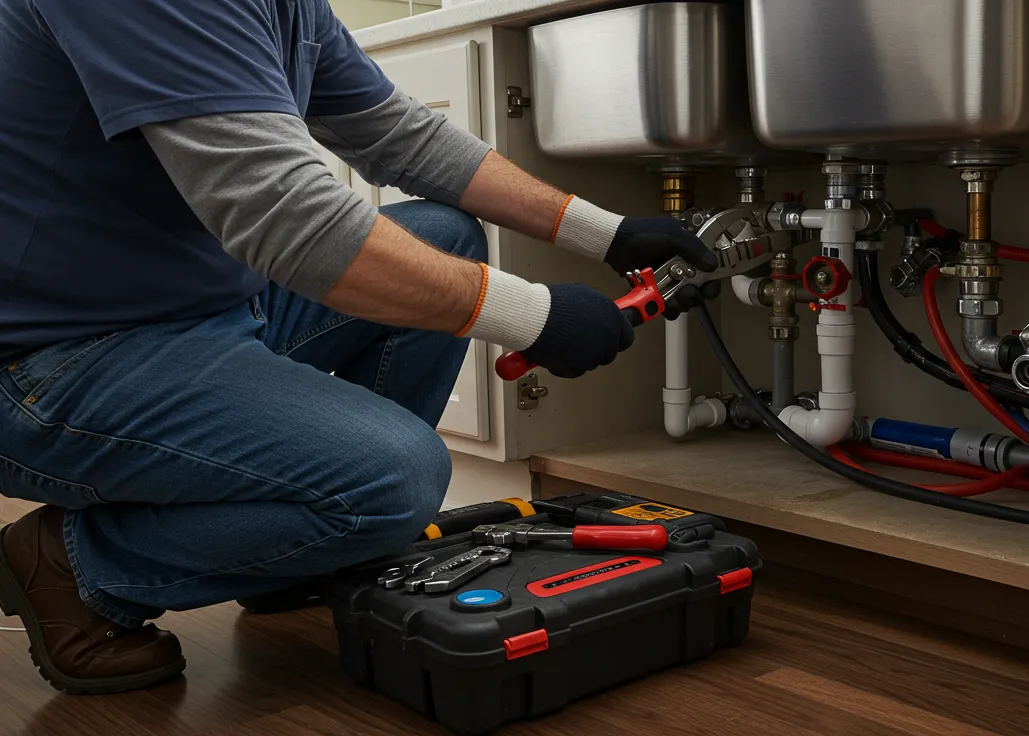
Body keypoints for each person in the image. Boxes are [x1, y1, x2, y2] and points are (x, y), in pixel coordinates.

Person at [0, 0, 718, 694]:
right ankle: (77, 567)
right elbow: (292, 223)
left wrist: (605, 232)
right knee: (396, 479)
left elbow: (400, 134)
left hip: (202, 309)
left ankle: (304, 546)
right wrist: (535, 316)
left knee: (442, 234)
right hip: (54, 362)